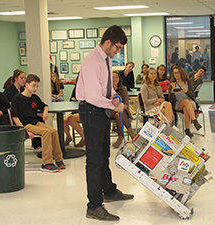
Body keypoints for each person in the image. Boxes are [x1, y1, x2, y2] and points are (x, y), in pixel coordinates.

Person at [76, 25, 134, 221]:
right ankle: (94, 205)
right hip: (92, 110)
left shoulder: (106, 59)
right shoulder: (93, 61)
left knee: (104, 154)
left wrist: (115, 96)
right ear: (108, 42)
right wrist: (113, 105)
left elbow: (105, 88)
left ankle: (108, 191)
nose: (118, 51)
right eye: (117, 47)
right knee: (94, 160)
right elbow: (93, 96)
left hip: (101, 110)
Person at [11, 74, 65, 172]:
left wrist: (45, 110)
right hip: (26, 125)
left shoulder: (34, 98)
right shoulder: (17, 98)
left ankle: (59, 160)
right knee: (46, 132)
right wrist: (24, 131)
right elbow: (15, 118)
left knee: (53, 131)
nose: (35, 88)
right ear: (26, 85)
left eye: (37, 86)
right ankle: (47, 163)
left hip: (36, 123)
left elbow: (44, 105)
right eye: (33, 86)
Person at [168, 65, 202, 138]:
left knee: (186, 108)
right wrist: (172, 92)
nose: (176, 74)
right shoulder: (172, 84)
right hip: (179, 103)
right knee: (186, 102)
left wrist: (187, 91)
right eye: (174, 73)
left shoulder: (188, 82)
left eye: (177, 72)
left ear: (181, 73)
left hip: (190, 102)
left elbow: (193, 95)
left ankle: (187, 130)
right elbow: (171, 100)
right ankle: (194, 120)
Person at [112, 71, 137, 148]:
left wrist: (121, 106)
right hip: (110, 111)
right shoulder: (107, 90)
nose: (115, 79)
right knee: (118, 112)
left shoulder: (123, 89)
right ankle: (131, 132)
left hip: (122, 111)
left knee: (118, 113)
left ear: (119, 79)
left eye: (116, 77)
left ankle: (120, 137)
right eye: (112, 77)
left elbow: (126, 104)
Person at [63, 76, 85, 148]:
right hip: (75, 110)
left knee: (71, 119)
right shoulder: (76, 88)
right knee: (63, 120)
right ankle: (68, 137)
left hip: (85, 111)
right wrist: (73, 99)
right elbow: (71, 99)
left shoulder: (88, 88)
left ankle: (84, 138)